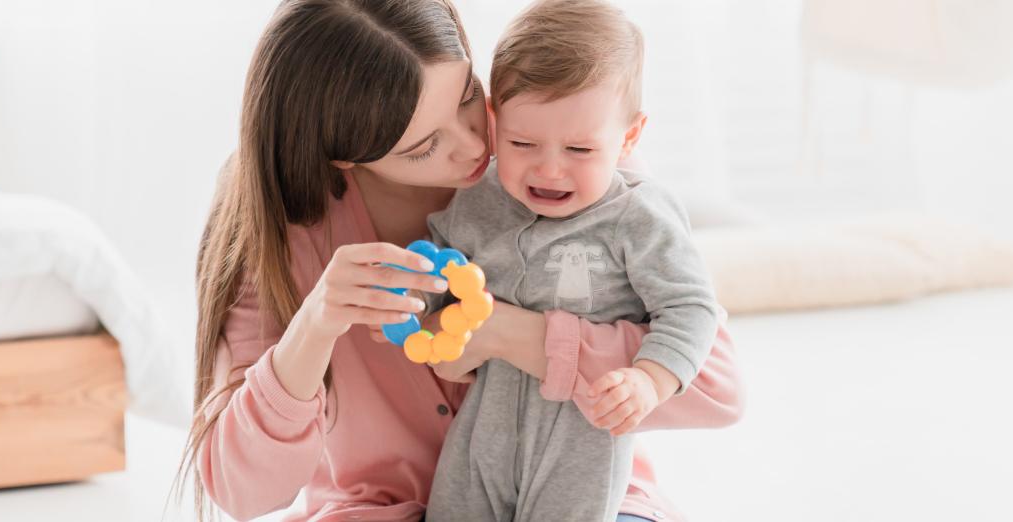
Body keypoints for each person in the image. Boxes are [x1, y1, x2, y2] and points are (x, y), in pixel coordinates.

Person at [177, 1, 743, 521]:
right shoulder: (276, 230)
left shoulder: (560, 148)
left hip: (583, 501)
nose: (476, 146)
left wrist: (509, 335)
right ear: (343, 154)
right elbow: (242, 493)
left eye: (469, 97)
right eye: (424, 145)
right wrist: (314, 328)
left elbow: (716, 387)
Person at [423, 1, 722, 520]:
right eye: (522, 143)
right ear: (494, 121)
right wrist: (414, 296)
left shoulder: (638, 215)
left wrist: (649, 379)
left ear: (628, 137)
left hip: (582, 440)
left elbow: (692, 309)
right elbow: (440, 266)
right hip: (483, 428)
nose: (549, 169)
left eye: (580, 150)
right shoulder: (478, 198)